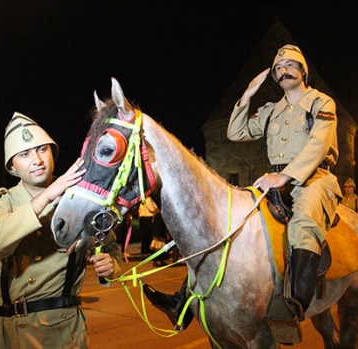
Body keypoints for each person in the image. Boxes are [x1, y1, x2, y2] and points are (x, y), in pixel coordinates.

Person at [143, 44, 342, 326]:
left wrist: (285, 176)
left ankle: (295, 303)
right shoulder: (273, 109)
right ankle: (183, 299)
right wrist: (248, 94)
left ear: (302, 70)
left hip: (314, 178)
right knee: (230, 225)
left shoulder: (321, 103)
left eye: (290, 65)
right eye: (278, 68)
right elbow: (235, 132)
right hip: (274, 181)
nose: (283, 71)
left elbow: (318, 144)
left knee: (304, 222)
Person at [0, 112, 122, 348]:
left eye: (43, 150)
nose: (37, 160)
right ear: (12, 167)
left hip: (62, 331)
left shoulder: (78, 200)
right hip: (6, 331)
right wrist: (50, 194)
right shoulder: (0, 202)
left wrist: (111, 265)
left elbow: (110, 245)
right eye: (25, 154)